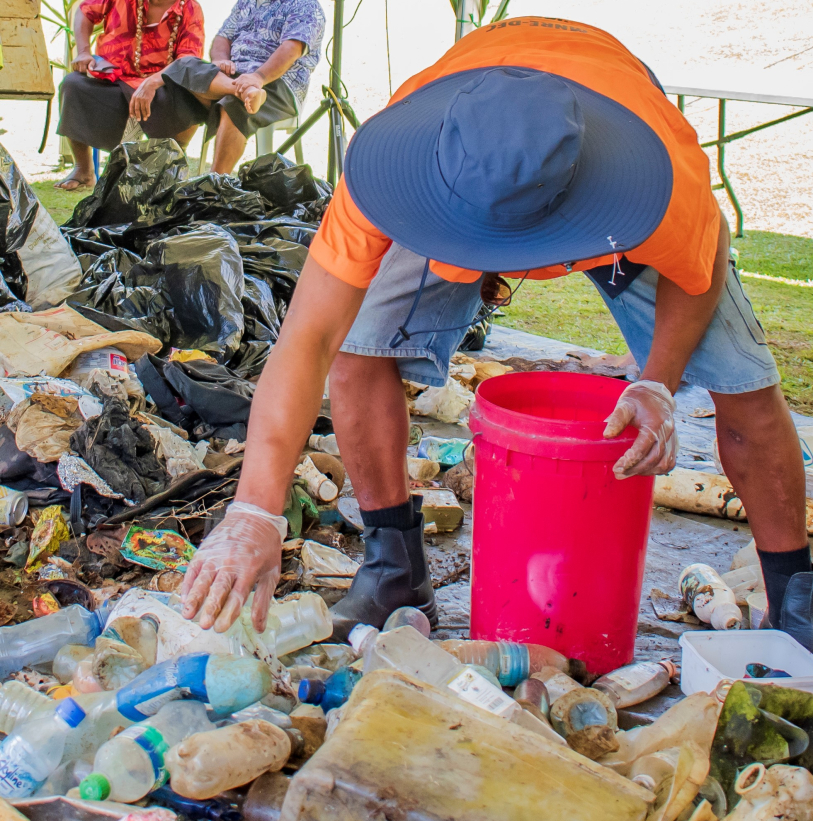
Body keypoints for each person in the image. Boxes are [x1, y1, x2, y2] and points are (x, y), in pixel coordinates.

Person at [180, 17, 813, 652]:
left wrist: (658, 384)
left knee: (748, 390)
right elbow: (309, 338)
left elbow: (696, 271)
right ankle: (394, 571)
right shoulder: (384, 174)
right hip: (458, 178)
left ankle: (795, 600)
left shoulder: (658, 178)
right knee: (358, 350)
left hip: (597, 171)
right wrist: (255, 510)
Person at [157, 0, 326, 174]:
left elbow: (292, 49)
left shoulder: (305, 5)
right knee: (184, 70)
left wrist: (258, 78)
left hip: (278, 83)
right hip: (235, 77)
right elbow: (223, 37)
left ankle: (215, 185)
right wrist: (221, 60)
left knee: (234, 104)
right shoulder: (247, 2)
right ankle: (167, 172)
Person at [56, 0, 206, 191]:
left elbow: (187, 60)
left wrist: (152, 83)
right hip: (113, 78)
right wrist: (84, 52)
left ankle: (170, 164)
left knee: (189, 97)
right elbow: (85, 11)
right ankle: (83, 169)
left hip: (161, 83)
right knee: (73, 85)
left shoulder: (190, 9)